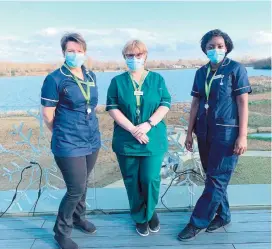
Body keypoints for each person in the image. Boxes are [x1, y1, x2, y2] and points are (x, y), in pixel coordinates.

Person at [177, 29, 252, 241]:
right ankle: (224, 215)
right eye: (211, 47)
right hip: (204, 133)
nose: (215, 49)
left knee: (216, 179)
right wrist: (189, 133)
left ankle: (197, 222)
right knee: (213, 177)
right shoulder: (201, 73)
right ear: (205, 50)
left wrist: (243, 135)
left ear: (227, 47)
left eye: (220, 46)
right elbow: (195, 103)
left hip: (227, 134)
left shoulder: (236, 69)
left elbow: (242, 102)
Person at [41, 33, 101, 249]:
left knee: (83, 184)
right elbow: (48, 114)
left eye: (79, 51)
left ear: (85, 52)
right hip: (68, 142)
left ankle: (78, 218)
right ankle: (61, 232)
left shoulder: (91, 75)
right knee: (75, 188)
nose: (75, 54)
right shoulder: (55, 78)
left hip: (91, 139)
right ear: (64, 53)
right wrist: (62, 132)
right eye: (71, 51)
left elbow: (91, 105)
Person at [106, 40, 171, 237]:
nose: (134, 59)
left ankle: (150, 212)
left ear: (145, 56)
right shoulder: (117, 82)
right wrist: (133, 129)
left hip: (152, 138)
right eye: (130, 56)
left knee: (150, 178)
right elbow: (112, 107)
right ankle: (140, 217)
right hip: (127, 140)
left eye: (138, 55)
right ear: (125, 57)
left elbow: (165, 103)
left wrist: (148, 124)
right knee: (132, 180)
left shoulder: (157, 79)